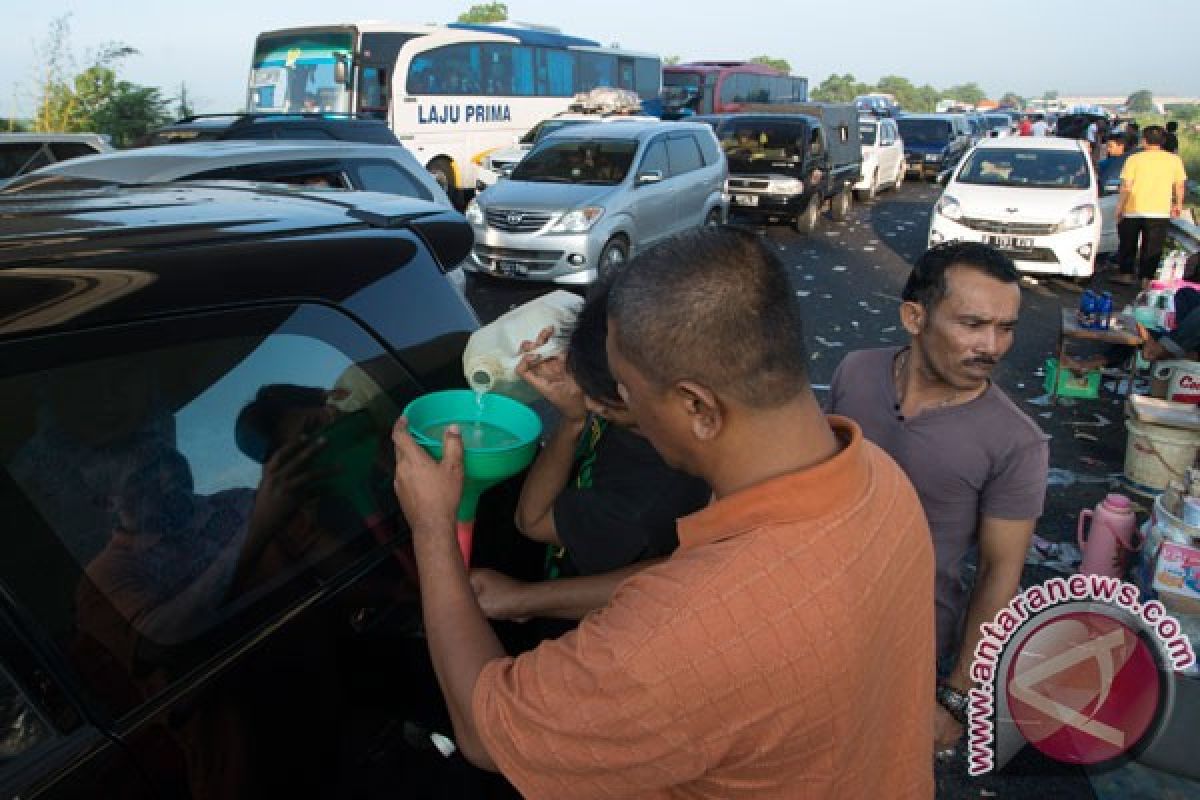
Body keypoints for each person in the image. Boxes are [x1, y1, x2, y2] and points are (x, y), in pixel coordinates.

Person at [391, 228, 936, 798]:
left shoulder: (678, 643)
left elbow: (485, 731)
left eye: (627, 393)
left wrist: (432, 528)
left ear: (698, 407)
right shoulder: (878, 478)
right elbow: (704, 581)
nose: (623, 410)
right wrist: (528, 598)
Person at [827, 241, 1049, 755]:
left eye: (1006, 327)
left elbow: (1000, 575)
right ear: (914, 317)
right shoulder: (855, 372)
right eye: (972, 324)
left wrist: (956, 697)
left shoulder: (1016, 442)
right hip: (811, 618)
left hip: (906, 651)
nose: (992, 346)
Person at [469, 278, 710, 629]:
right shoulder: (644, 383)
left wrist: (572, 421)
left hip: (578, 624)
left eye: (609, 403)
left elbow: (531, 521)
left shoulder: (639, 505)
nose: (594, 403)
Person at [1113, 125, 1190, 287]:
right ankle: (1146, 278)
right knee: (1153, 247)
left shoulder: (1134, 159)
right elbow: (1180, 185)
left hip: (1133, 209)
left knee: (1128, 243)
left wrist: (1119, 207)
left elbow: (1126, 186)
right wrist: (1178, 204)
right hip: (1159, 210)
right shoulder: (1174, 160)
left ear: (1144, 140)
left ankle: (1126, 274)